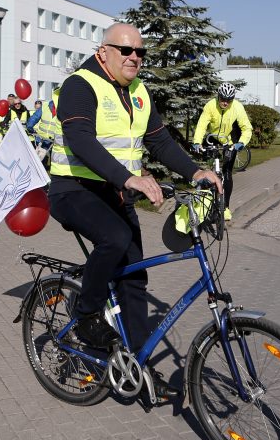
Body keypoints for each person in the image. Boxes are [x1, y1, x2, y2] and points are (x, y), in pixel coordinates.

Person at [49, 23, 222, 401]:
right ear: (103, 52)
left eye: (140, 52)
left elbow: (159, 141)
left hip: (114, 191)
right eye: (125, 50)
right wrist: (129, 179)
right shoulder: (81, 85)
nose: (134, 58)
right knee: (115, 237)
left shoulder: (140, 93)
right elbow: (80, 140)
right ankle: (86, 315)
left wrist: (196, 172)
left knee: (134, 279)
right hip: (73, 188)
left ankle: (139, 367)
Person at [191, 82, 253, 212]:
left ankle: (225, 208)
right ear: (218, 96)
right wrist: (197, 142)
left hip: (230, 141)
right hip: (213, 138)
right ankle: (207, 198)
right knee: (208, 169)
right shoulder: (210, 105)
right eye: (223, 99)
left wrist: (241, 143)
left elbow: (247, 128)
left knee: (227, 172)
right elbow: (202, 125)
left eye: (228, 101)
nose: (225, 103)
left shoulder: (237, 107)